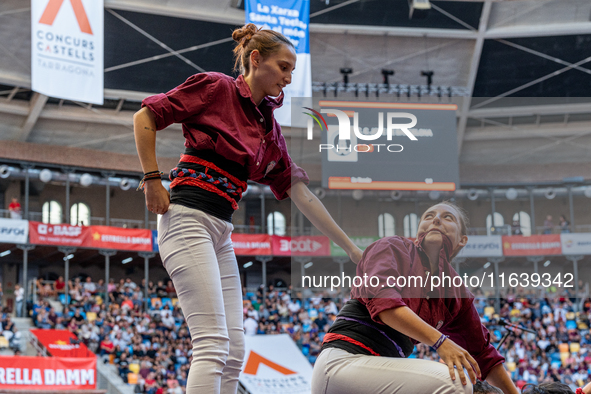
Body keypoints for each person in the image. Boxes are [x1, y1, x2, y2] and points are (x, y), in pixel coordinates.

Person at [133, 23, 362, 394]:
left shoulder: (268, 127)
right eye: (284, 67)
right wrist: (153, 179)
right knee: (212, 346)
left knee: (235, 351)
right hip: (187, 217)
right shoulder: (215, 87)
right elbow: (144, 117)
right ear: (256, 60)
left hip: (220, 228)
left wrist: (351, 248)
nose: (289, 78)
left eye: (292, 71)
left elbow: (301, 193)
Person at [312, 201, 519, 394]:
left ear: (463, 240)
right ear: (419, 230)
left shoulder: (456, 291)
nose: (436, 219)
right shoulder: (392, 247)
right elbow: (385, 305)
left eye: (448, 217)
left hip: (380, 376)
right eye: (428, 216)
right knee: (456, 382)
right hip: (342, 364)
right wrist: (441, 342)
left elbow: (484, 356)